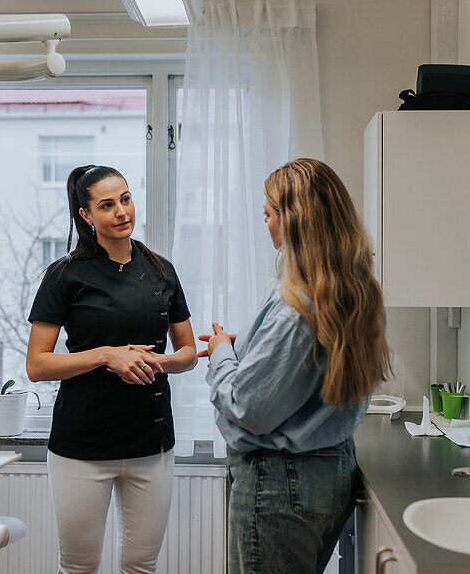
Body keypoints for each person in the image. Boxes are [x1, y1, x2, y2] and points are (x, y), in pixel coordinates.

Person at [199, 158, 391, 574]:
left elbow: (247, 408)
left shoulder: (297, 309)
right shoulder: (356, 291)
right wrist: (247, 346)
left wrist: (220, 352)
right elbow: (303, 372)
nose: (265, 224)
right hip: (329, 474)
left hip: (280, 488)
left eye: (268, 214)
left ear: (294, 220)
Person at [26, 164, 197, 574]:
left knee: (141, 566)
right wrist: (106, 355)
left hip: (151, 444)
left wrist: (162, 362)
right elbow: (37, 365)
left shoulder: (161, 270)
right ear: (86, 216)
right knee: (79, 567)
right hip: (81, 447)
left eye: (126, 199)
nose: (122, 211)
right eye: (107, 205)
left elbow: (188, 351)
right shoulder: (64, 275)